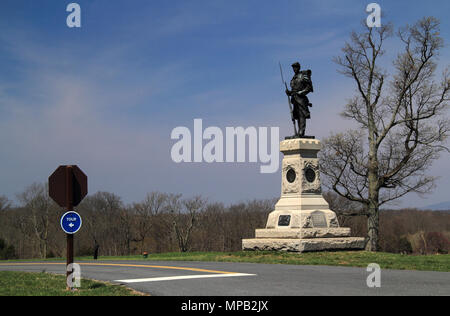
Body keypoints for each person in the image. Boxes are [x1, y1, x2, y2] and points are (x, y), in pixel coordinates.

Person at [285, 62, 313, 137]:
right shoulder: (293, 78)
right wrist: (289, 92)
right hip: (294, 99)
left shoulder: (303, 75)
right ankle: (299, 131)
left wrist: (301, 92)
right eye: (293, 67)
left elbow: (309, 87)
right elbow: (294, 90)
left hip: (301, 99)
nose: (294, 69)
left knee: (302, 114)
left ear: (299, 67)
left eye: (296, 67)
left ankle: (301, 131)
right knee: (296, 115)